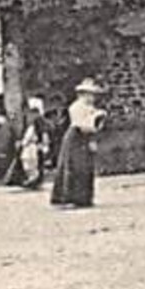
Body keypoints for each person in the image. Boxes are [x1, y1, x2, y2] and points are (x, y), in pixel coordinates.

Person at [51, 78, 105, 208]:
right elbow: (82, 125)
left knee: (85, 167)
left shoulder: (90, 108)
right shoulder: (76, 107)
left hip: (84, 138)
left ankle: (84, 197)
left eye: (93, 95)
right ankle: (69, 197)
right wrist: (95, 120)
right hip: (76, 137)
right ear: (82, 94)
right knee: (75, 165)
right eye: (89, 94)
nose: (92, 97)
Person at [14, 98, 50, 189]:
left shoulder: (37, 119)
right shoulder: (31, 119)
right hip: (33, 144)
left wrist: (44, 144)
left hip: (35, 144)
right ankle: (34, 180)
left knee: (34, 162)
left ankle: (35, 180)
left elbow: (43, 132)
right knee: (32, 161)